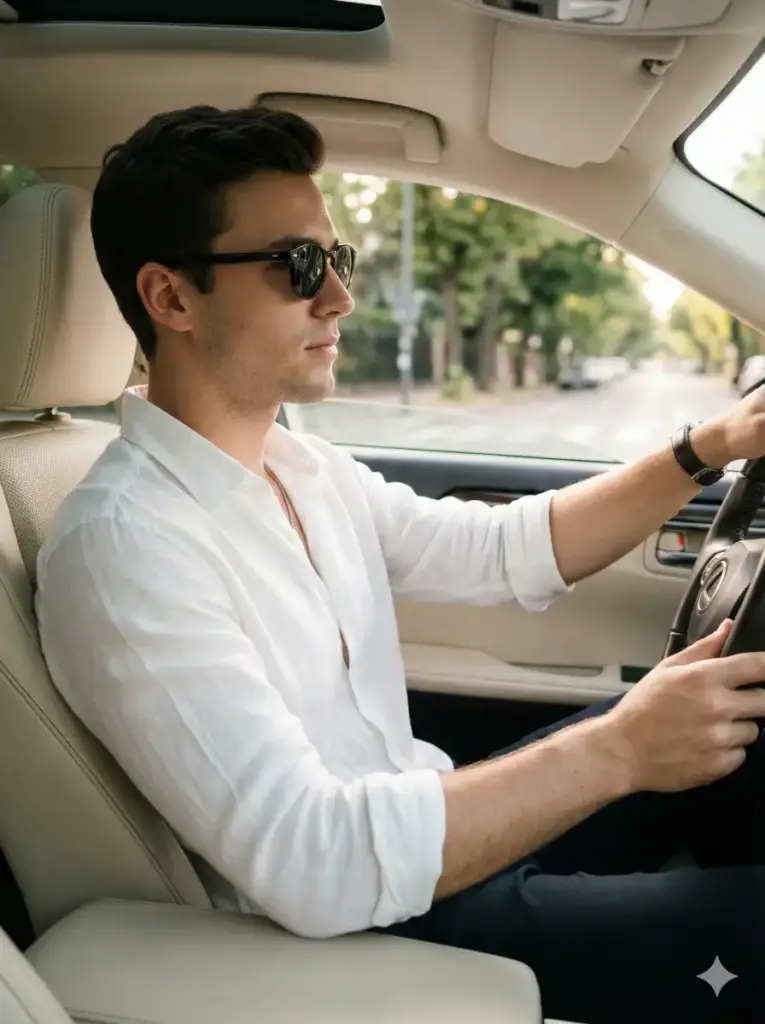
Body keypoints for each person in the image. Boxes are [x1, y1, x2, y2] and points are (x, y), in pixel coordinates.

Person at [36, 106, 764, 1024]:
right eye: (298, 267)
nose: (338, 298)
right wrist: (619, 751)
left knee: (736, 712)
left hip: (425, 828)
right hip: (373, 925)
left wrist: (711, 443)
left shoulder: (297, 465)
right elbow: (317, 862)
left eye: (336, 262)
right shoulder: (125, 549)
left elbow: (506, 550)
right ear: (171, 298)